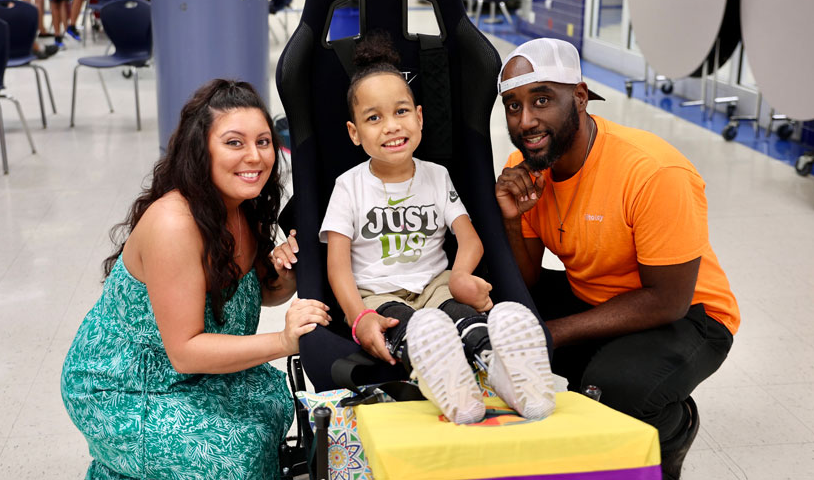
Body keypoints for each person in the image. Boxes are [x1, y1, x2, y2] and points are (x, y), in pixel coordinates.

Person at [494, 38, 740, 479]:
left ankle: (674, 425)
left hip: (690, 315)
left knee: (613, 390)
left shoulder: (652, 171)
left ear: (581, 97)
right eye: (513, 105)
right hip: (594, 297)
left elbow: (668, 301)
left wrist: (553, 334)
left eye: (542, 100)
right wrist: (512, 221)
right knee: (497, 311)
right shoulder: (527, 166)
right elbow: (526, 281)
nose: (526, 120)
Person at [61, 79, 331, 479]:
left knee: (270, 404)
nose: (254, 156)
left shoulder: (242, 206)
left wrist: (287, 272)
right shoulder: (174, 223)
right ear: (200, 149)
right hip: (128, 386)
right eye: (234, 143)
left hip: (193, 375)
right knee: (232, 457)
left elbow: (256, 294)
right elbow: (184, 351)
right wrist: (283, 341)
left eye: (263, 142)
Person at [314, 31, 554, 425]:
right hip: (379, 294)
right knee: (414, 329)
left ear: (420, 117)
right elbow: (338, 266)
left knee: (467, 320)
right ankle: (455, 392)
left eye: (401, 112)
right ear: (354, 133)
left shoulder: (437, 177)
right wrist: (359, 317)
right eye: (374, 118)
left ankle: (511, 378)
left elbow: (469, 238)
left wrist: (460, 275)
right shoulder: (349, 186)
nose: (391, 126)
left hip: (436, 286)